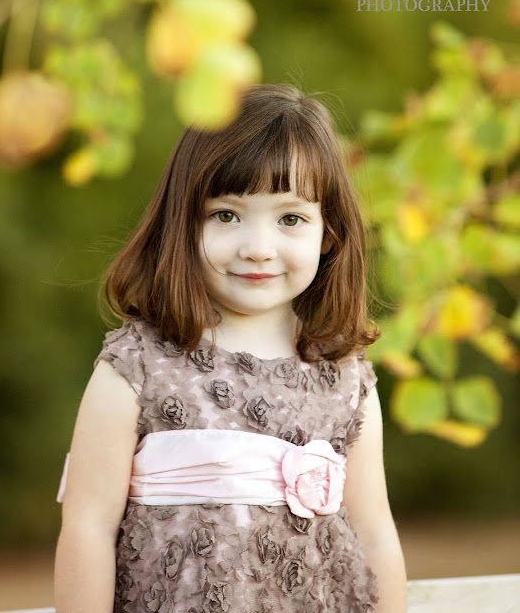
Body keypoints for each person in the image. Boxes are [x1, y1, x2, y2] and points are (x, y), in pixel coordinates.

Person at [54, 83, 407, 613]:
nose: (257, 248)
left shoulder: (347, 379)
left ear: (328, 233)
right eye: (226, 215)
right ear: (184, 222)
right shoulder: (139, 365)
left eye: (290, 219)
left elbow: (375, 535)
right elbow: (87, 525)